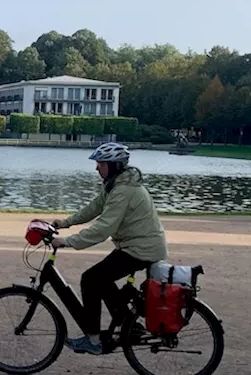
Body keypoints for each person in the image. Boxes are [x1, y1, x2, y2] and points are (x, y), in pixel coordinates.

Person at [50, 142, 168, 356]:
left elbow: (103, 228)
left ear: (113, 166)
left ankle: (93, 340)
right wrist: (65, 222)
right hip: (136, 246)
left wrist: (67, 241)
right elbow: (94, 208)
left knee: (91, 279)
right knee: (101, 279)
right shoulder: (117, 185)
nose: (97, 169)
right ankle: (129, 325)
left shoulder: (123, 191)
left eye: (100, 164)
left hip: (141, 249)